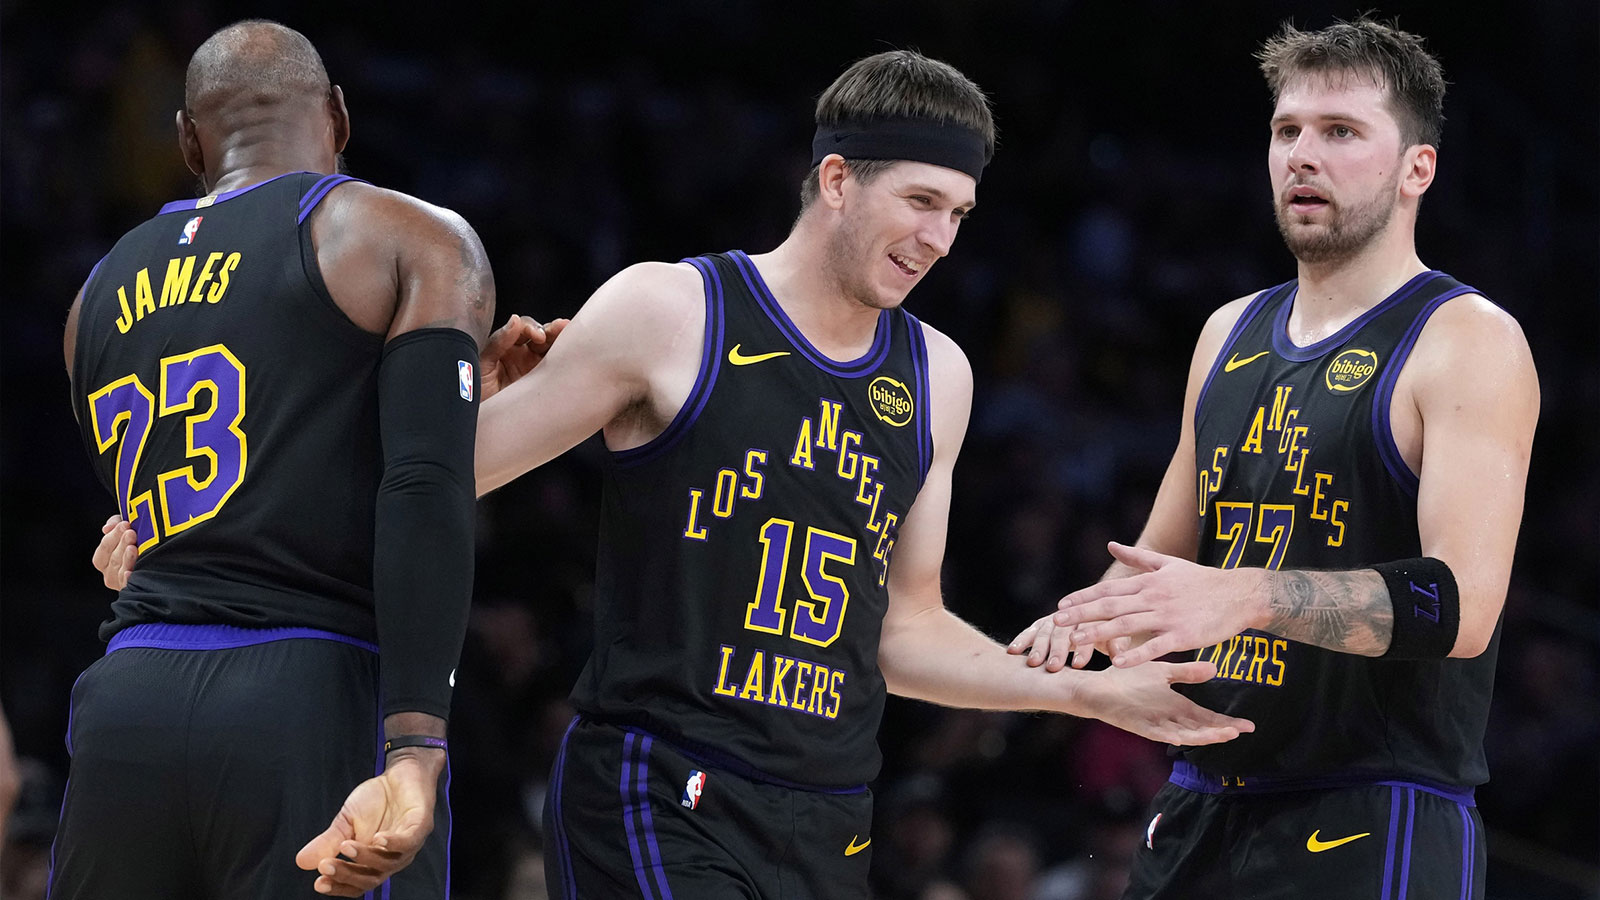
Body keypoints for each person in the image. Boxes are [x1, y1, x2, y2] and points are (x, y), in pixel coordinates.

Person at [95, 47, 1254, 900]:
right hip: (659, 784)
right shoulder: (671, 310)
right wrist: (195, 521)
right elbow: (439, 474)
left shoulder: (936, 374)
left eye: (958, 213)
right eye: (919, 202)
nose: (939, 240)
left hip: (826, 815)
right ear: (836, 180)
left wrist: (1082, 693)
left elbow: (902, 633)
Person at [1011, 18, 1538, 899]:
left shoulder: (1465, 339)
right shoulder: (1228, 331)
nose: (1303, 155)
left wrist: (1248, 595)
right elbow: (1155, 566)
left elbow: (1461, 606)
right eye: (1286, 130)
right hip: (1201, 799)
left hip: (1374, 810)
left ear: (1417, 169)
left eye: (1341, 132)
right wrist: (1071, 641)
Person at [59, 19, 552, 899]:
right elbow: (421, 485)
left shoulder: (93, 294)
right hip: (308, 690)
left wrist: (453, 401)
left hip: (125, 704)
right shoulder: (402, 234)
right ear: (340, 117)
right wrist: (415, 747)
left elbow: (202, 495)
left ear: (188, 142)